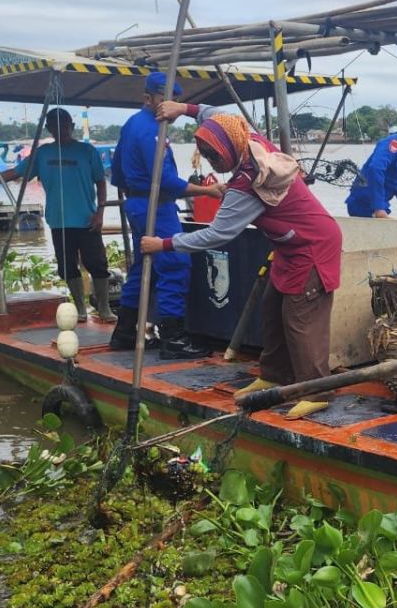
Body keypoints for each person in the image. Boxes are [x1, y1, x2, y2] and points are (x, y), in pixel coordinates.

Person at [143, 102, 342, 398]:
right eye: (206, 154)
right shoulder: (242, 134)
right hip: (289, 247)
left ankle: (317, 393)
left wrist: (165, 244)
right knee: (272, 310)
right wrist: (182, 108)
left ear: (231, 149)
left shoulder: (247, 183)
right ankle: (275, 377)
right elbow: (211, 114)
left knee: (301, 320)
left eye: (214, 155)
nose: (211, 161)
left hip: (313, 245)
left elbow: (216, 234)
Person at [109, 73, 220, 359]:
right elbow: (168, 180)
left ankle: (124, 332)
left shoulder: (133, 124)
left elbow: (117, 174)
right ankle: (174, 339)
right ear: (148, 98)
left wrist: (136, 193)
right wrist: (208, 191)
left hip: (136, 204)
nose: (169, 107)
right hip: (156, 206)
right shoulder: (152, 132)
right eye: (164, 99)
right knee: (175, 263)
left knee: (141, 267)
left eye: (173, 101)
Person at [0, 108, 115, 322]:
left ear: (72, 126)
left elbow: (101, 182)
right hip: (59, 221)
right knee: (67, 267)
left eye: (65, 125)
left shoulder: (87, 151)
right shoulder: (43, 153)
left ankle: (104, 308)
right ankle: (81, 310)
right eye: (56, 126)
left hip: (87, 218)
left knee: (97, 264)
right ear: (49, 129)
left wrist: (100, 213)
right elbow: (13, 174)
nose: (62, 130)